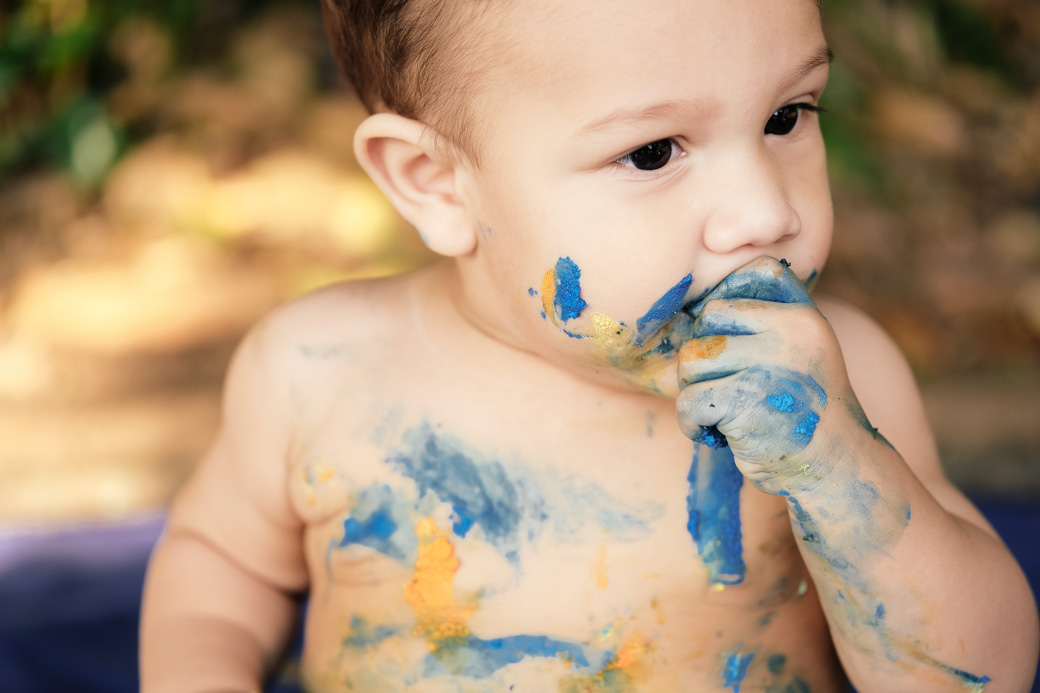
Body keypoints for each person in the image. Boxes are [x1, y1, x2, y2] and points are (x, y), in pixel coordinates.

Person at [139, 0, 1040, 691]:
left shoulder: (845, 390)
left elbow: (983, 671)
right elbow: (220, 567)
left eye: (788, 115)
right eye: (654, 153)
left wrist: (843, 474)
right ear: (438, 185)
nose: (767, 211)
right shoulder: (318, 371)